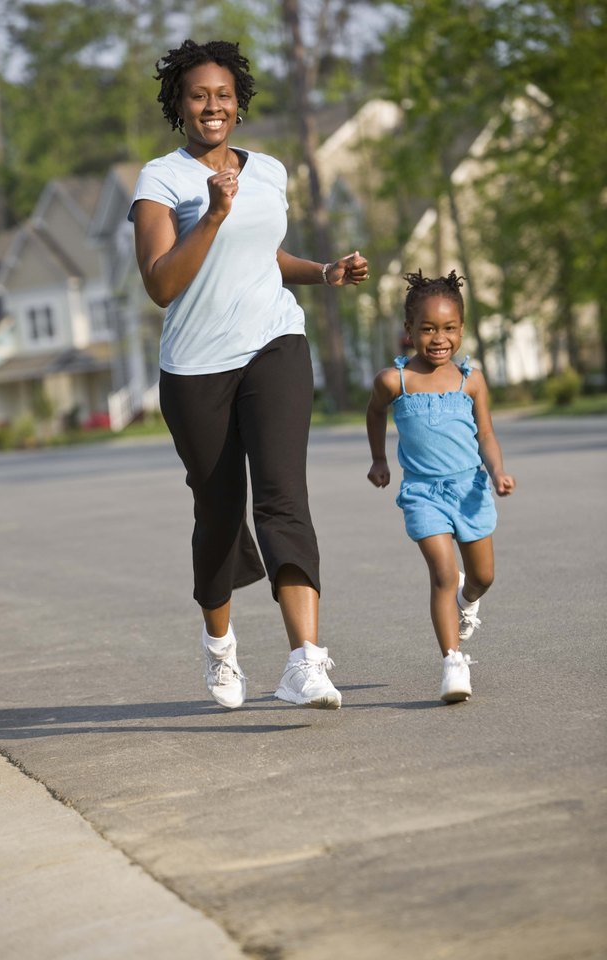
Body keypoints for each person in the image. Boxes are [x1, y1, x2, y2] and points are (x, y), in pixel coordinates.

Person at [129, 39, 369, 711]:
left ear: (240, 104)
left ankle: (306, 661)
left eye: (224, 95)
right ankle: (220, 647)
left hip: (274, 343)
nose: (213, 105)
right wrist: (211, 214)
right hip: (196, 368)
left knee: (283, 497)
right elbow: (161, 285)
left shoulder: (268, 170)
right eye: (199, 94)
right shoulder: (160, 180)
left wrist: (321, 272)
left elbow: (265, 256)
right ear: (179, 103)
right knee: (219, 512)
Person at [366, 269, 515, 703]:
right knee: (442, 574)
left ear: (462, 330)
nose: (438, 338)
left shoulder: (472, 381)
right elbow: (375, 413)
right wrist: (378, 458)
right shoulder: (395, 381)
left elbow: (485, 433)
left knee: (482, 576)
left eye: (449, 328)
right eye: (427, 328)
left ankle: (469, 602)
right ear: (409, 331)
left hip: (470, 489)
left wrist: (498, 471)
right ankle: (452, 662)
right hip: (423, 494)